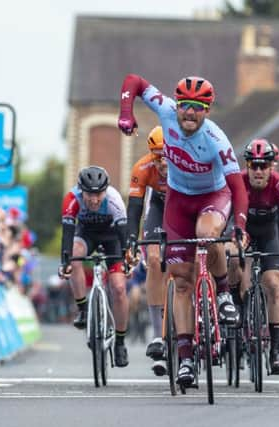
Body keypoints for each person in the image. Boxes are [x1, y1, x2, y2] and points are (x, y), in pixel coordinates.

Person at [117, 74, 248, 386]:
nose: (190, 113)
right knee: (182, 282)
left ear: (208, 111)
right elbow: (133, 81)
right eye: (186, 106)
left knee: (207, 233)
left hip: (213, 197)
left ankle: (223, 294)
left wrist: (240, 225)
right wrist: (126, 114)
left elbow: (238, 188)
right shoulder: (165, 110)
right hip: (178, 200)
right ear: (177, 106)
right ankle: (186, 358)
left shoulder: (216, 140)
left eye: (198, 108)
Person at [227, 138, 279, 375]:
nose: (258, 171)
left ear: (271, 166)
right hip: (244, 229)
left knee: (273, 285)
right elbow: (228, 217)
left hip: (270, 233)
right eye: (253, 165)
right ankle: (236, 304)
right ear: (246, 165)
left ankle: (275, 350)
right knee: (234, 257)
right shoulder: (237, 183)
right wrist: (233, 239)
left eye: (263, 166)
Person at [58, 166, 130, 367]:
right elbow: (67, 235)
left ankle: (120, 343)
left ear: (106, 190)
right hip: (85, 234)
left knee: (119, 287)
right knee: (75, 255)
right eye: (90, 194)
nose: (94, 199)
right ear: (82, 191)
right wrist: (65, 262)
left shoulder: (115, 200)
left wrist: (127, 260)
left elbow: (124, 237)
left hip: (111, 237)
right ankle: (82, 308)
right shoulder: (71, 199)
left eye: (99, 194)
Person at [126, 125, 169, 375]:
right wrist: (132, 238)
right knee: (153, 259)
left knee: (187, 263)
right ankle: (157, 335)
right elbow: (135, 208)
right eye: (157, 156)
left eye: (167, 155)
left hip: (182, 206)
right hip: (158, 207)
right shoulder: (142, 167)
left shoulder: (187, 165)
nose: (162, 162)